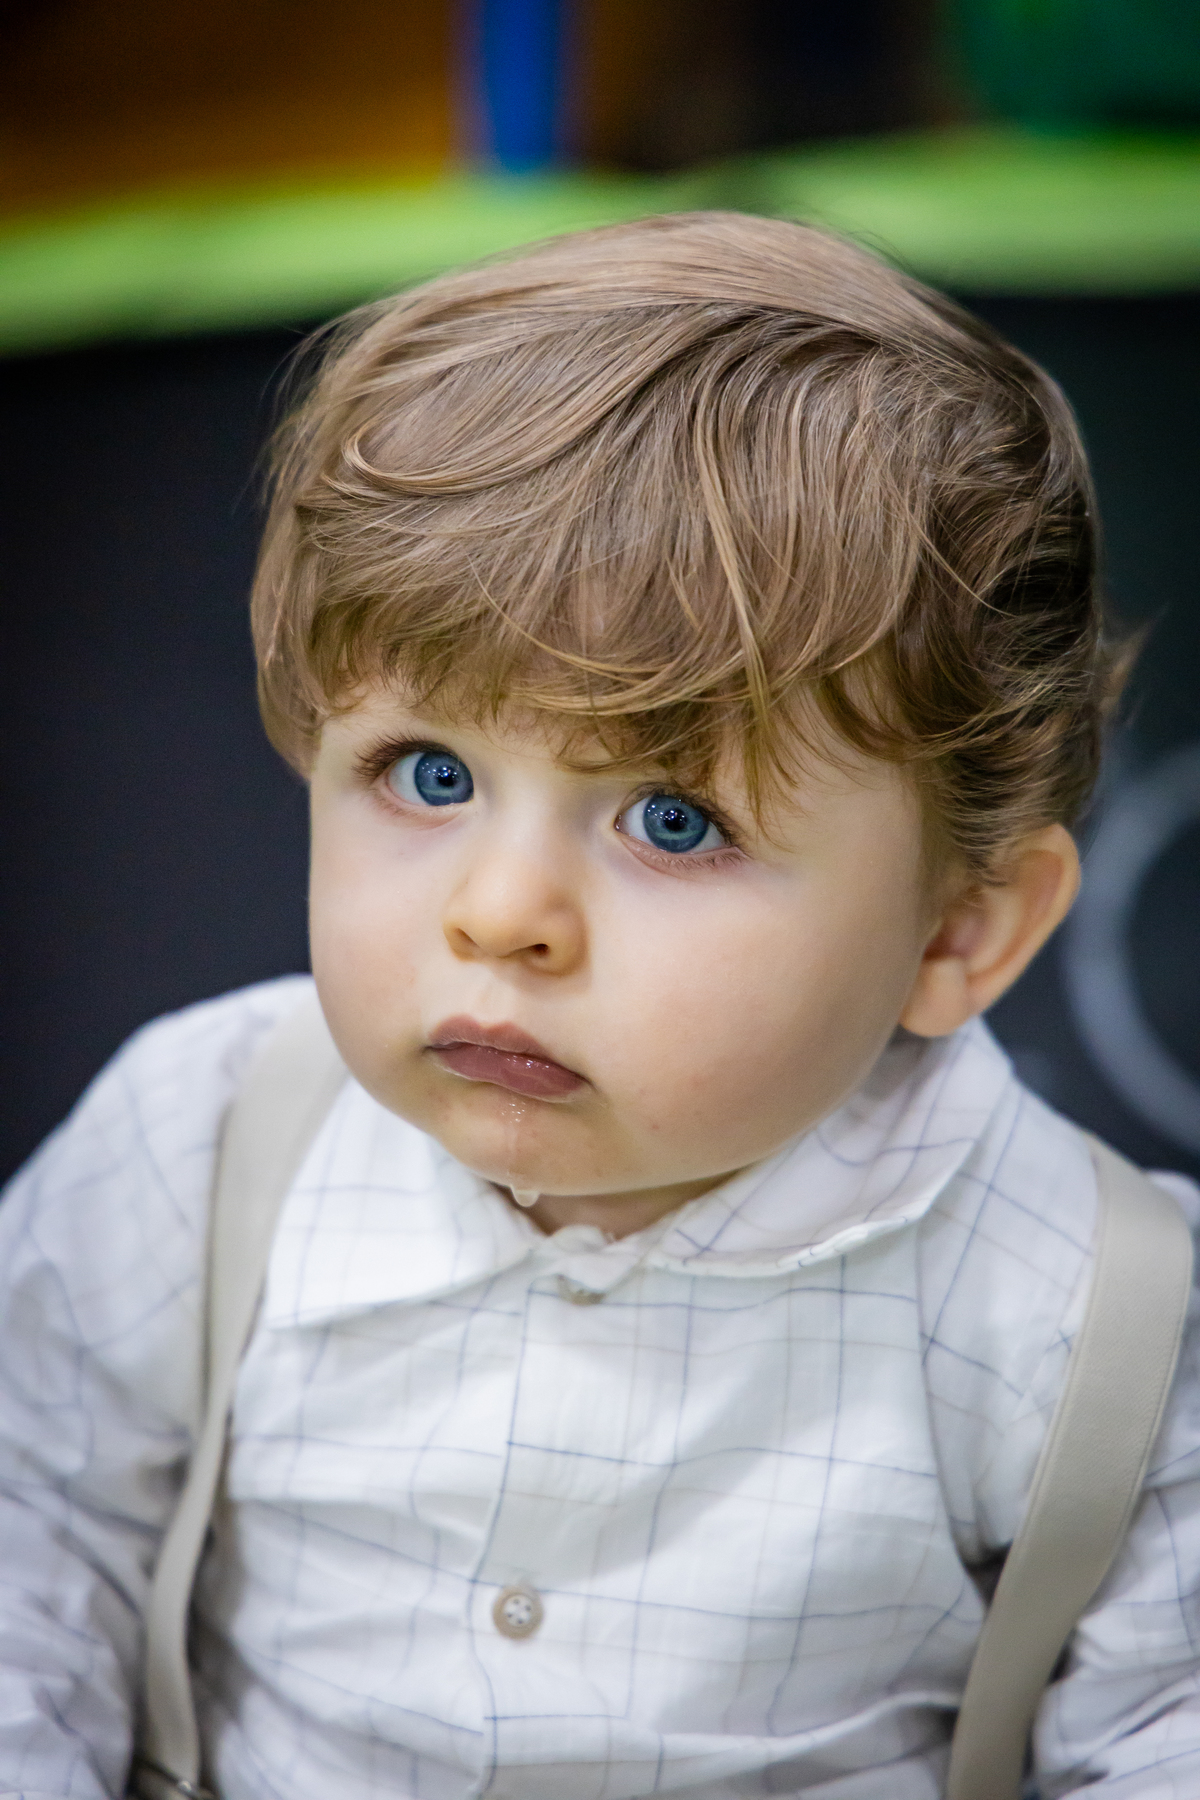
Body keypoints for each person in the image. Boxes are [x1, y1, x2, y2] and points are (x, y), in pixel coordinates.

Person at [2, 212, 1198, 1800]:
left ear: (958, 931)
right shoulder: (204, 1145)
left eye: (673, 820)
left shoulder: (1096, 1316)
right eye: (429, 775)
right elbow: (28, 1555)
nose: (501, 913)